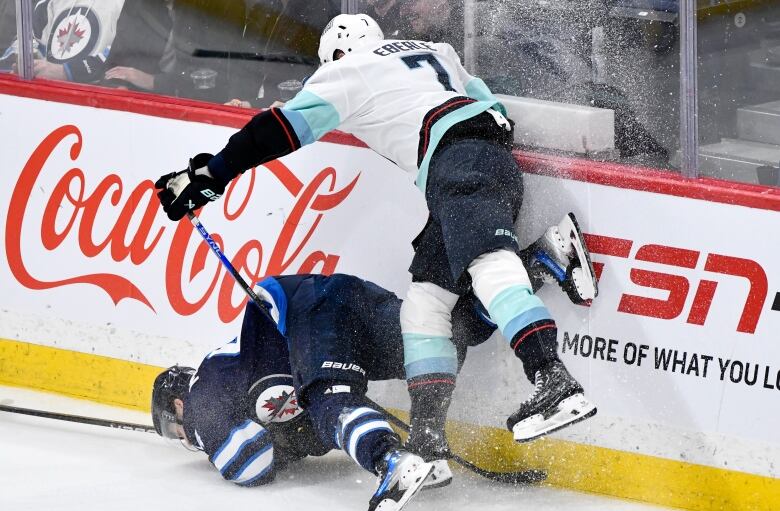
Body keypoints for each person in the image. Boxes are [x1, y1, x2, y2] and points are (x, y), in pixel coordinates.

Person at [154, 13, 598, 481]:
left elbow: (277, 131)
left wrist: (208, 176)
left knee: (487, 264)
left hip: (458, 163)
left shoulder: (347, 71)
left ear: (335, 57)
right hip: (472, 160)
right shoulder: (433, 51)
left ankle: (552, 377)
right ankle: (427, 440)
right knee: (426, 309)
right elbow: (491, 107)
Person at [151, 273, 497, 511]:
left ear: (178, 405)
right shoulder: (227, 373)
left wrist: (290, 440)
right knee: (439, 340)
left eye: (173, 428)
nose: (182, 437)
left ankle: (390, 460)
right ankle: (518, 275)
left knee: (329, 403)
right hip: (344, 299)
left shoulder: (200, 402)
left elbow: (249, 463)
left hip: (314, 309)